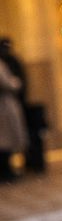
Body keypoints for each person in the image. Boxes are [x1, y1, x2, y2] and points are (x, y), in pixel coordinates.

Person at [0, 40, 28, 182]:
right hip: (4, 107)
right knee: (5, 140)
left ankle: (8, 169)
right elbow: (9, 83)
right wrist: (16, 82)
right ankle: (6, 171)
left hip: (6, 105)